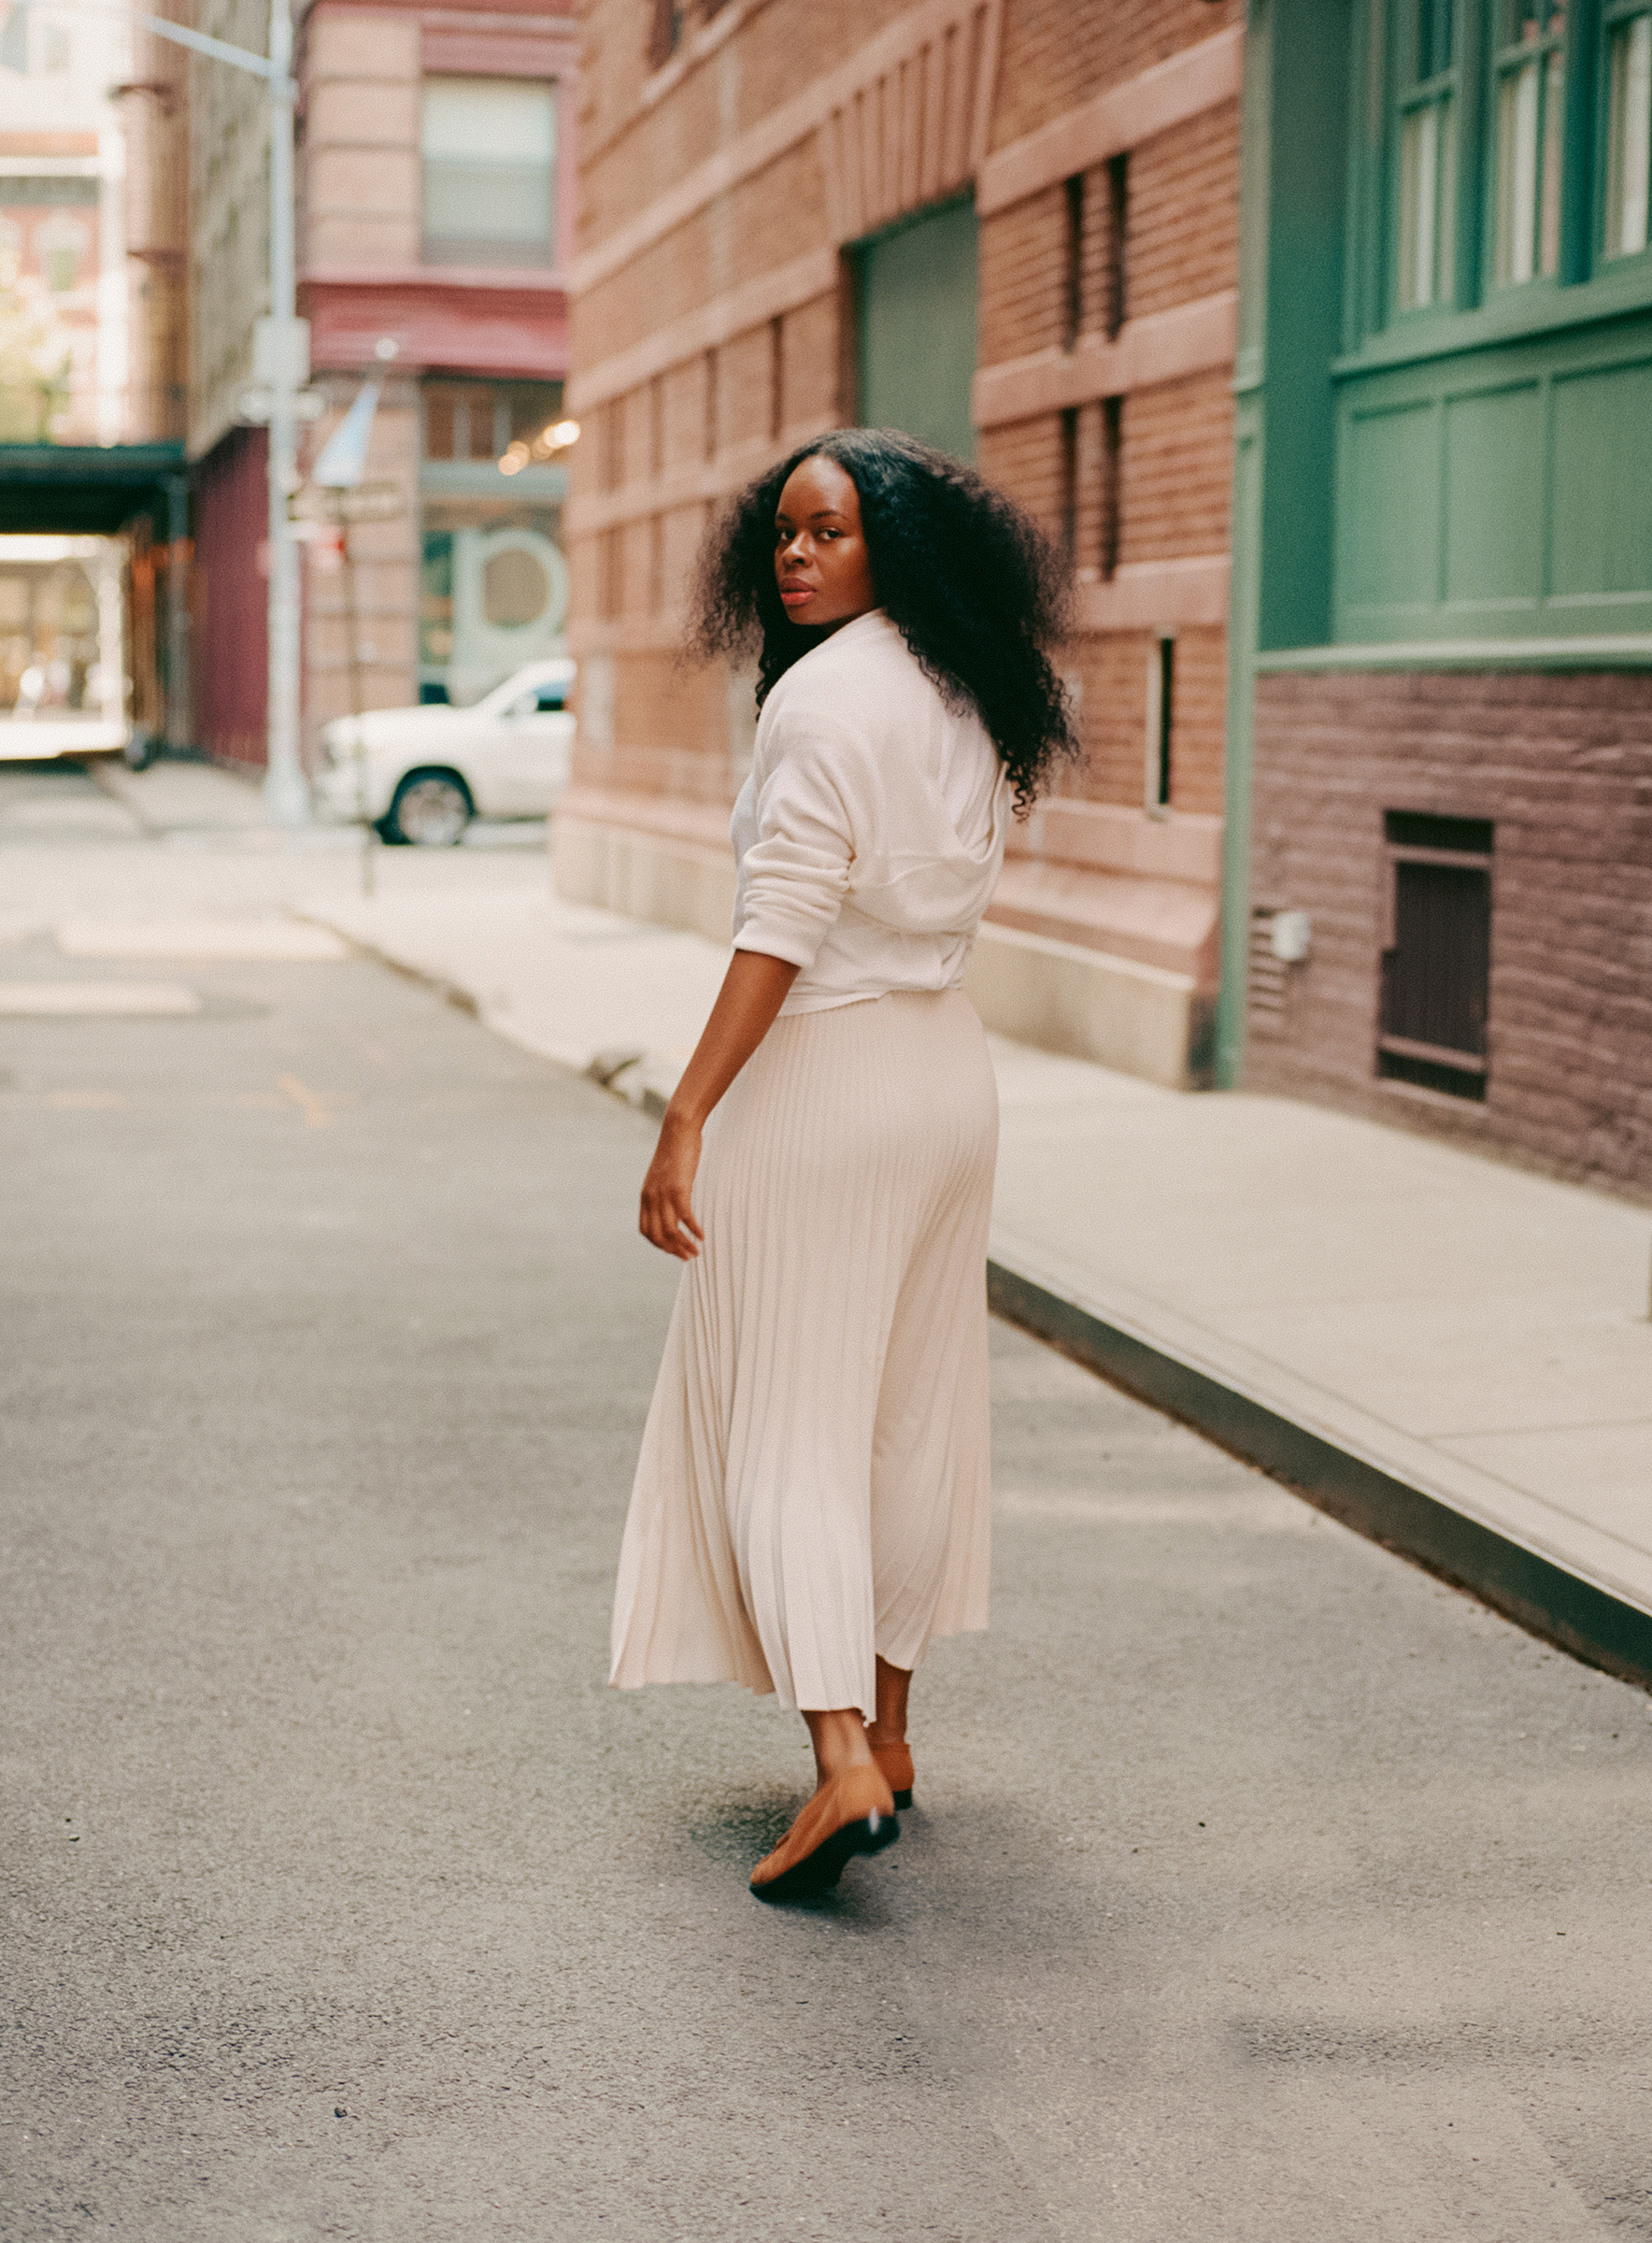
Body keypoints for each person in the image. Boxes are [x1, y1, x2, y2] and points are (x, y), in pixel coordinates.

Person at [607, 428, 1075, 1901]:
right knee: (908, 1415)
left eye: (828, 533)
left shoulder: (822, 701)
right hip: (947, 1068)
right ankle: (895, 1727)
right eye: (785, 536)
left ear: (897, 549)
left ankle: (840, 1766)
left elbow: (783, 926)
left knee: (787, 1424)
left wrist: (685, 1113)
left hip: (829, 1071)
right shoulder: (983, 686)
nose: (794, 558)